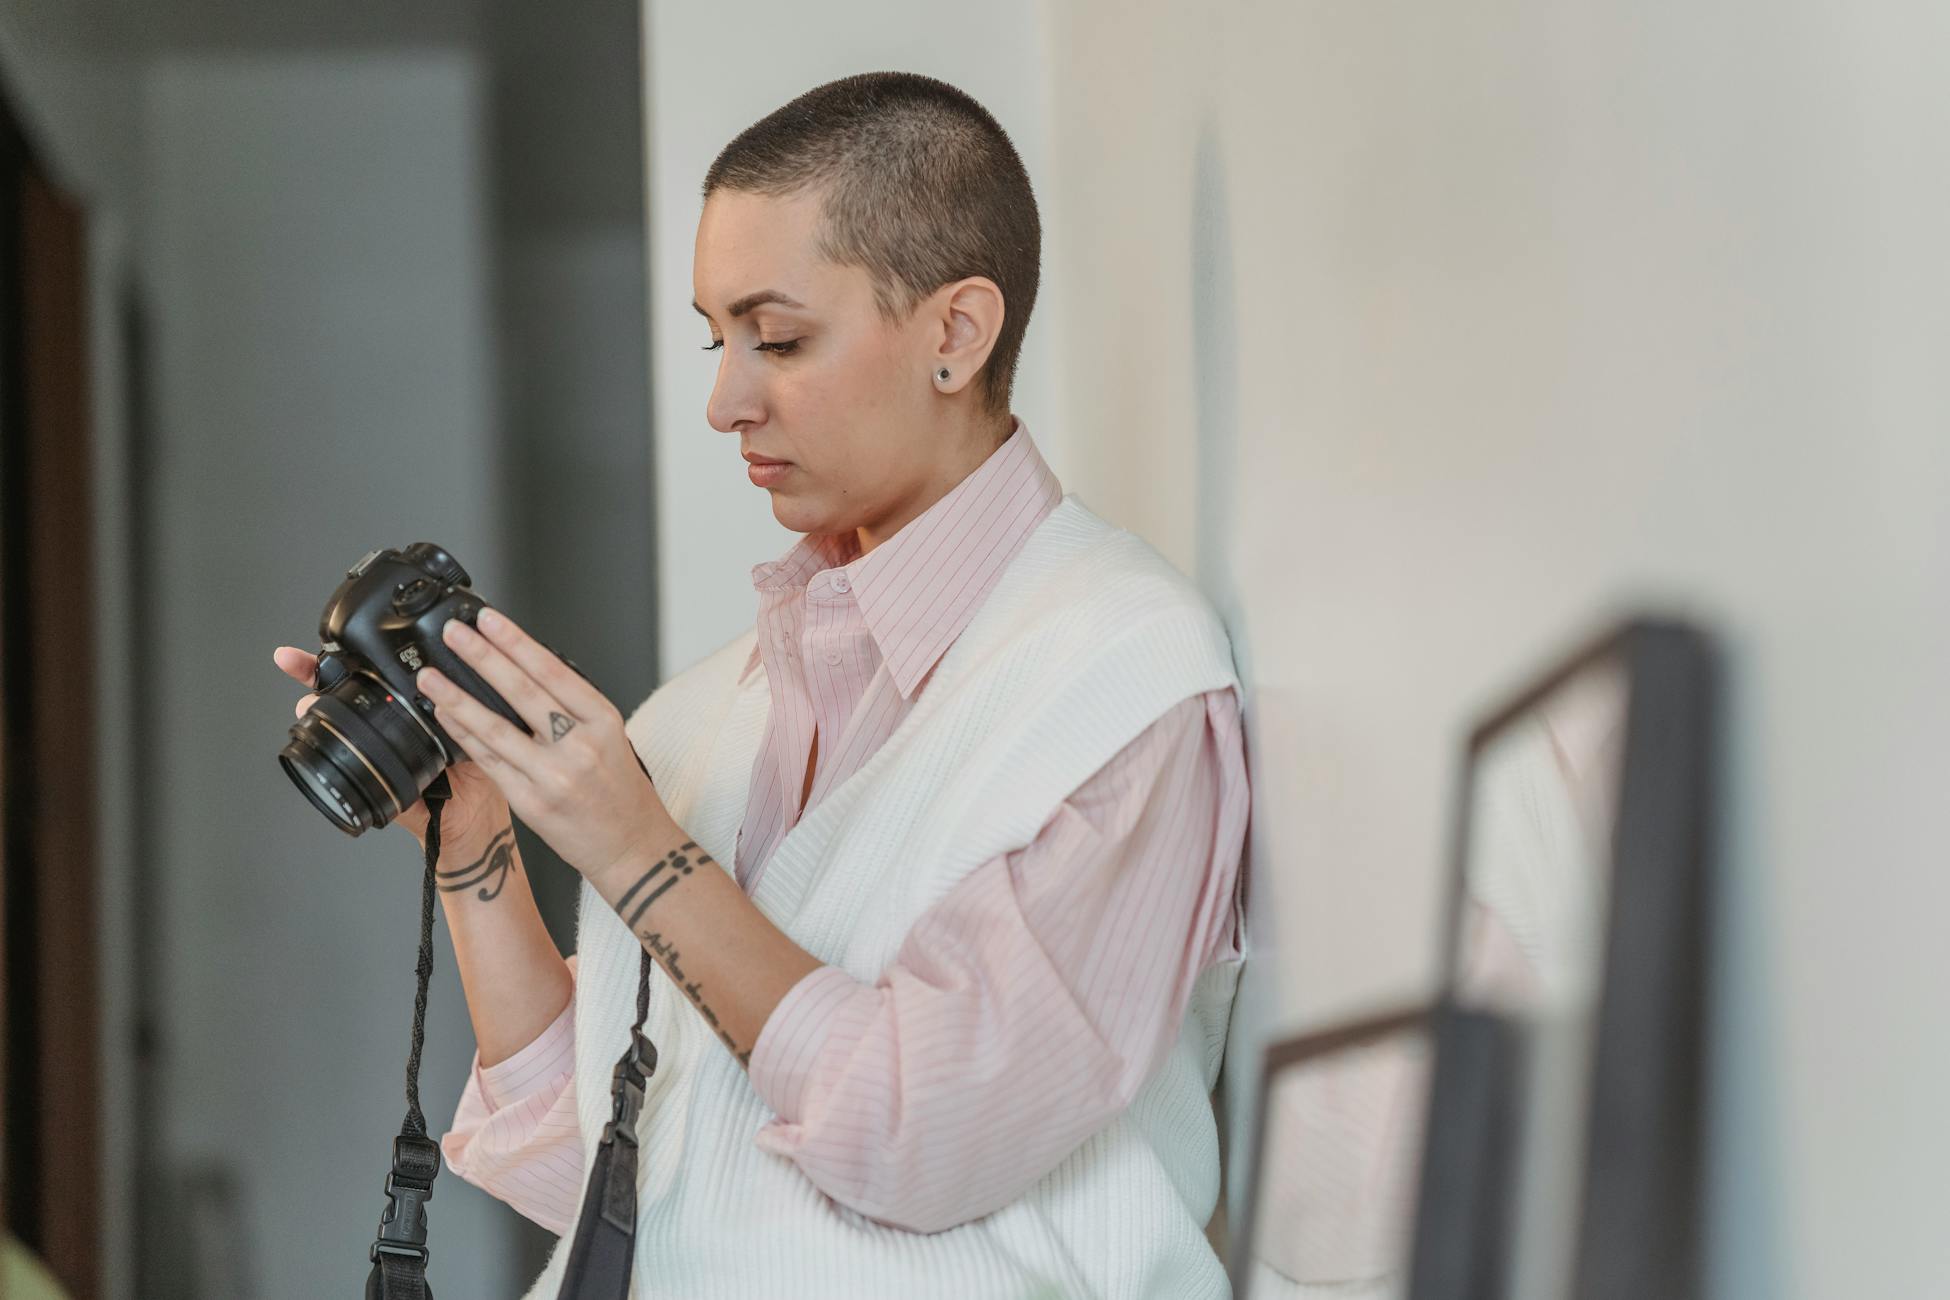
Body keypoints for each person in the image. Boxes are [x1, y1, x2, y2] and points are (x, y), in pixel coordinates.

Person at [275, 71, 1249, 1298]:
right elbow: (612, 1166)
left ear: (957, 332)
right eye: (715, 336)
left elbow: (924, 1135)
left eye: (778, 338)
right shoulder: (697, 717)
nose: (726, 400)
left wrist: (636, 849)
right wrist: (475, 852)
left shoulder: (1125, 682)